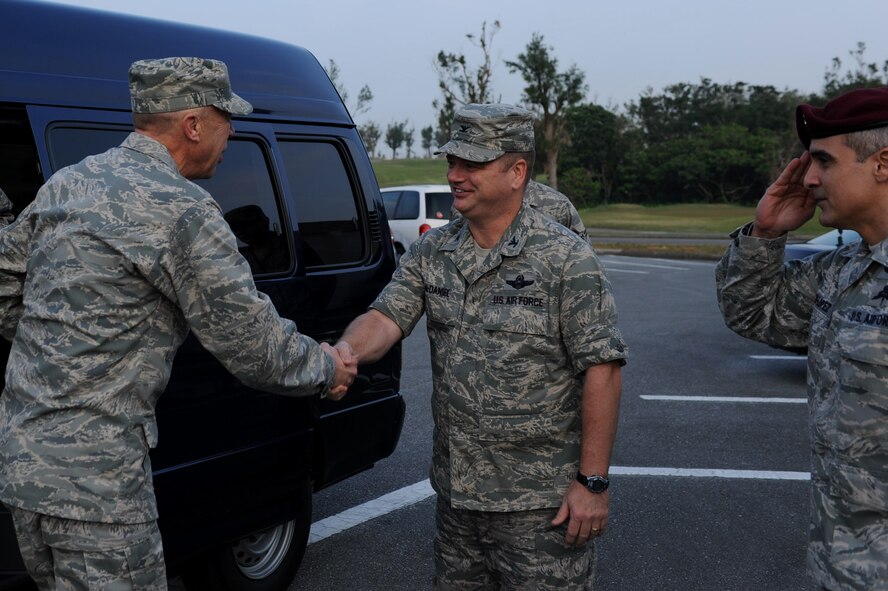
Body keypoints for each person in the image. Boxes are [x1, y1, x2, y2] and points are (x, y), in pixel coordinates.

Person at [0, 57, 356, 591]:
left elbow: (6, 283)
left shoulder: (67, 184)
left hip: (26, 466)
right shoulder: (181, 209)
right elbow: (251, 344)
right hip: (99, 485)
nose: (232, 130)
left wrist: (61, 345)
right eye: (224, 117)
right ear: (193, 125)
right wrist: (327, 367)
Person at [336, 103, 627, 590]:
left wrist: (592, 483)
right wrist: (343, 352)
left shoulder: (565, 258)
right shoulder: (435, 250)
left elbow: (603, 368)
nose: (455, 176)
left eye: (472, 164)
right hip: (457, 499)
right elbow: (384, 318)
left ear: (517, 172)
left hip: (541, 505)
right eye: (452, 163)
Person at [715, 87, 888, 590]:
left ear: (882, 163)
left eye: (823, 162)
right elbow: (754, 314)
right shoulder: (844, 270)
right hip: (842, 560)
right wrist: (766, 233)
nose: (809, 179)